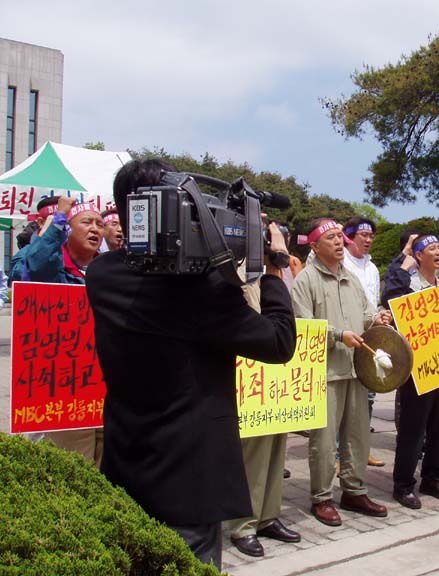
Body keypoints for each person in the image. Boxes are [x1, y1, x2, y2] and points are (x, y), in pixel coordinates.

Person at [86, 159, 297, 569]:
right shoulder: (200, 290)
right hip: (190, 482)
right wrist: (272, 269)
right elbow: (278, 342)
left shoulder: (102, 273)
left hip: (127, 462)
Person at [292, 218, 391, 527]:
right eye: (331, 238)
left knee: (357, 437)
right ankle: (321, 498)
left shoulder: (351, 278)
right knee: (323, 441)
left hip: (356, 370)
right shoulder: (305, 280)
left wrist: (377, 319)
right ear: (314, 245)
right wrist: (337, 335)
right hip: (325, 373)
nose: (338, 242)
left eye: (339, 237)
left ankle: (354, 491)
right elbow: (302, 327)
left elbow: (365, 314)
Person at [22, 195, 105, 463]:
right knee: (76, 464)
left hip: (105, 390)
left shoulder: (108, 270)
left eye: (99, 224)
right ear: (67, 229)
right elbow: (37, 264)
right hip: (66, 391)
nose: (95, 229)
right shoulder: (53, 269)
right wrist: (58, 218)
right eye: (87, 222)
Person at [227, 274, 301, 558]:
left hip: (276, 372)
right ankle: (244, 524)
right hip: (249, 375)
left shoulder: (270, 277)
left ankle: (268, 516)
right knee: (253, 454)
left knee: (276, 447)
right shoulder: (232, 274)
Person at [383, 233, 439, 509]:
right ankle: (403, 485)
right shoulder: (409, 287)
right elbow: (390, 300)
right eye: (432, 248)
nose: (438, 252)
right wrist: (403, 269)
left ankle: (433, 478)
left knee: (438, 427)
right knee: (413, 429)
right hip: (417, 369)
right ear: (418, 256)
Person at [343, 216, 385, 467]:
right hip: (346, 337)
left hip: (369, 337)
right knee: (345, 400)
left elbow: (373, 301)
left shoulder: (373, 268)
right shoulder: (341, 263)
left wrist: (379, 315)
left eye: (371, 236)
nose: (368, 240)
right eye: (363, 235)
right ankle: (340, 455)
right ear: (348, 237)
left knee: (368, 395)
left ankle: (362, 448)